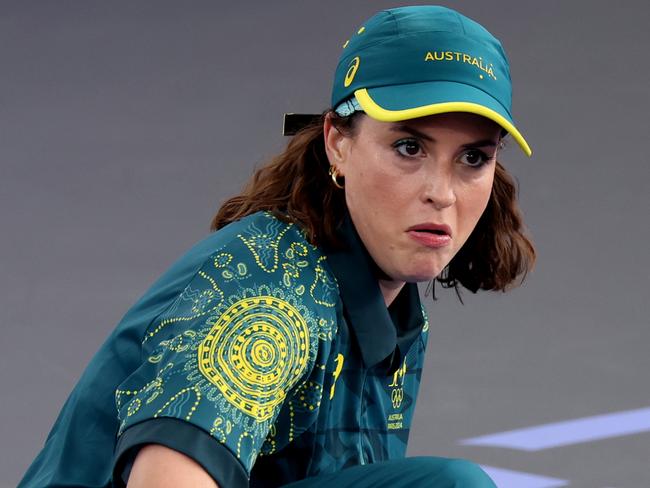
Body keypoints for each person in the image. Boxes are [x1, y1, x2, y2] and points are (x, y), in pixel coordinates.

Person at [18, 5, 535, 488]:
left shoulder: (392, 308)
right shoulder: (273, 291)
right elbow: (165, 476)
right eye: (408, 147)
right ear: (338, 141)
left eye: (472, 159)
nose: (441, 193)